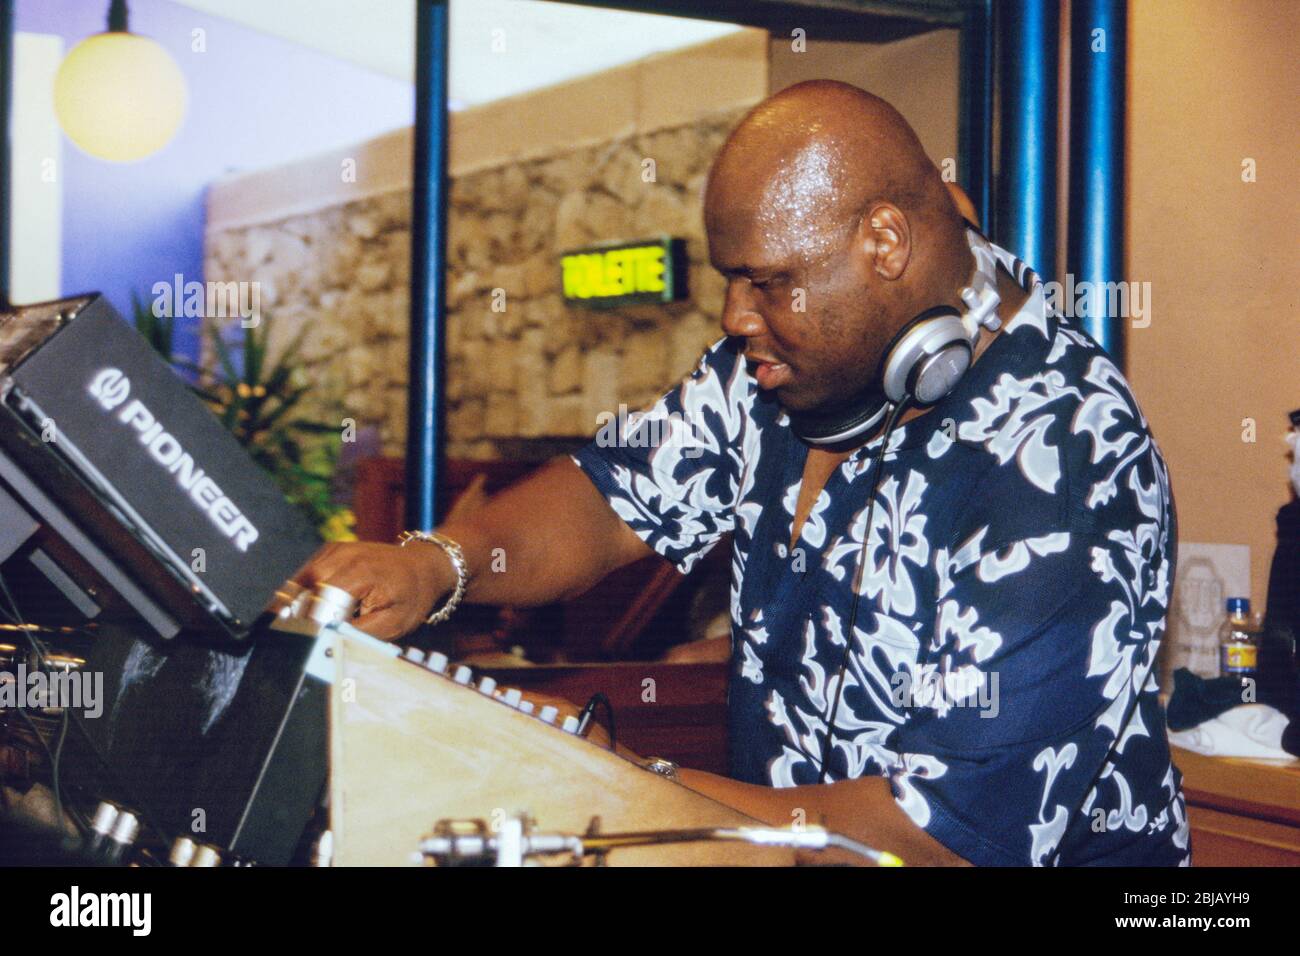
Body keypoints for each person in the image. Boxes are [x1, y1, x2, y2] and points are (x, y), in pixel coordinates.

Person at [295, 80, 1189, 866]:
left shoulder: (1064, 460)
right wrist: (437, 564)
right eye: (732, 279)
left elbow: (935, 840)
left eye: (766, 281)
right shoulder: (785, 365)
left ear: (885, 243)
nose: (735, 316)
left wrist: (611, 785)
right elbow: (609, 503)